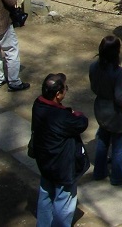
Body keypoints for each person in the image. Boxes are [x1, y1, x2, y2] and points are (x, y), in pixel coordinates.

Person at [32, 73, 89, 226]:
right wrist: (77, 114)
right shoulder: (61, 117)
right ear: (58, 95)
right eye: (65, 89)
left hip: (44, 161)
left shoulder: (38, 104)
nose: (65, 91)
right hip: (62, 166)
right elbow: (81, 123)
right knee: (64, 202)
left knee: (45, 195)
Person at [89, 35, 122, 185]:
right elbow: (119, 97)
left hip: (100, 107)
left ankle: (99, 171)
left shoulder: (94, 66)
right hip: (115, 113)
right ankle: (118, 176)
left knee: (102, 139)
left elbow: (94, 87)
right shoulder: (118, 72)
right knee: (118, 145)